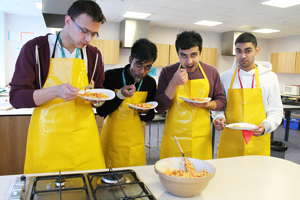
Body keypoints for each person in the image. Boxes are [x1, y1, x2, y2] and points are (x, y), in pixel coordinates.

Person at [9, 0, 107, 173]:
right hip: (47, 139)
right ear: (68, 21)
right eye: (84, 31)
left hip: (84, 139)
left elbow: (99, 96)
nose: (88, 39)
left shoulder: (94, 56)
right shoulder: (36, 49)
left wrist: (96, 100)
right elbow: (16, 98)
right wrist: (55, 91)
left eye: (93, 34)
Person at [155, 31, 226, 160]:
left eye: (194, 55)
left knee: (199, 173)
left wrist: (207, 104)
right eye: (183, 55)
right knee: (173, 172)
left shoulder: (211, 72)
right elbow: (160, 107)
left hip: (201, 137)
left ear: (200, 53)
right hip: (174, 137)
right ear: (177, 54)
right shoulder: (168, 72)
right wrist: (173, 83)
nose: (189, 61)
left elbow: (221, 101)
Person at [212, 32, 283, 158]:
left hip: (258, 138)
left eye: (248, 51)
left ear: (257, 50)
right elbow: (219, 107)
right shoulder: (225, 77)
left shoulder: (270, 78)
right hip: (230, 139)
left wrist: (266, 126)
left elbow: (276, 111)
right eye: (239, 51)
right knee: (228, 173)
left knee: (255, 174)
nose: (242, 56)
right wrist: (218, 118)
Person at [97, 38, 157, 168]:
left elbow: (150, 115)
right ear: (130, 60)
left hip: (135, 141)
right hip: (112, 140)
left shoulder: (150, 83)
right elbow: (102, 111)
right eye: (138, 65)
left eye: (148, 67)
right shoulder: (111, 76)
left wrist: (144, 112)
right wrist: (120, 95)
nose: (142, 71)